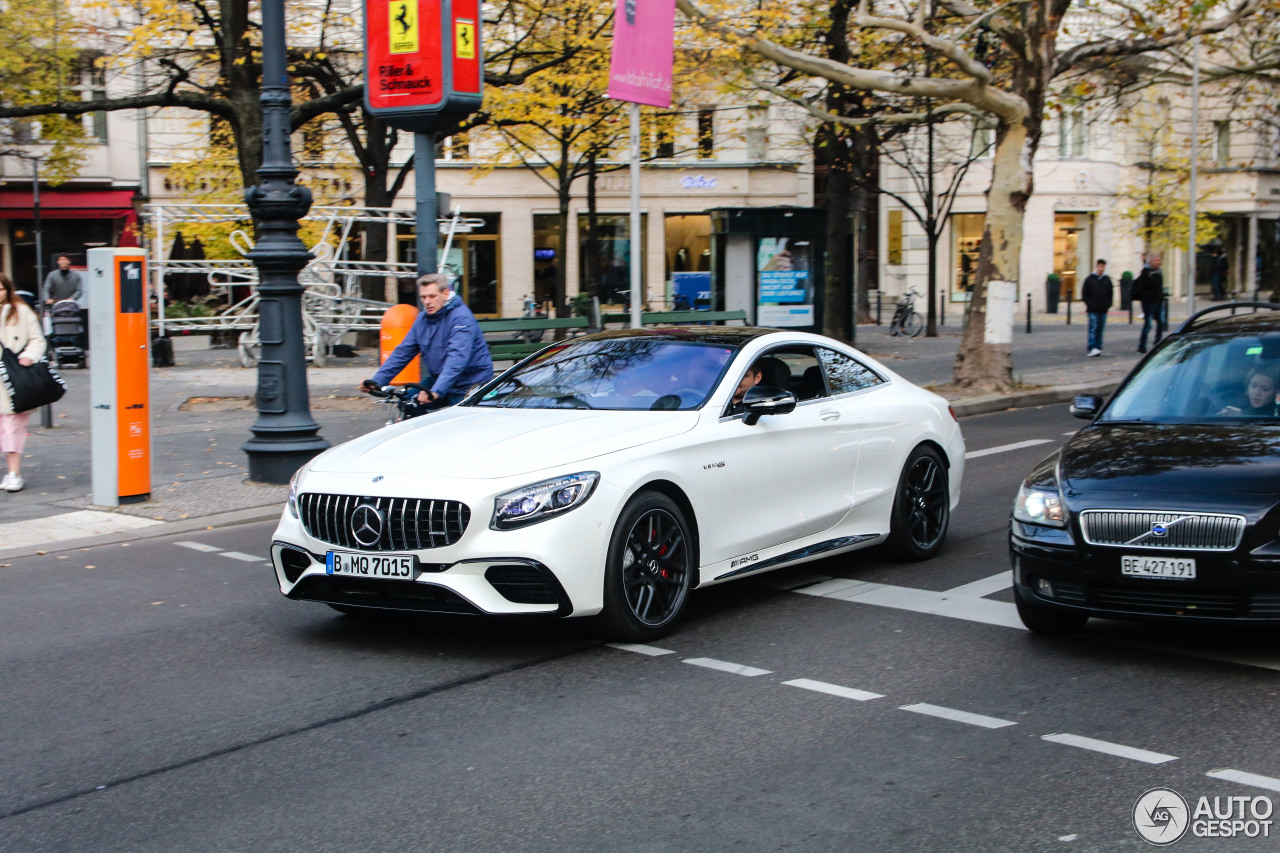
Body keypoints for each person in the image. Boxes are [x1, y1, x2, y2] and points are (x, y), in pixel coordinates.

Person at [360, 273, 493, 415]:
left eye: (432, 296)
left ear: (445, 293)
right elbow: (403, 352)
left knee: (458, 422)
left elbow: (457, 360)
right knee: (408, 403)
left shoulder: (461, 318)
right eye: (423, 297)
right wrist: (378, 381)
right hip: (439, 380)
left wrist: (436, 391)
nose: (427, 302)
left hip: (469, 384)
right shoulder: (423, 319)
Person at [0, 272, 48, 492]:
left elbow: (38, 339)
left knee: (12, 428)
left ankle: (13, 472)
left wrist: (28, 356)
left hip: (14, 377)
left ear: (8, 290)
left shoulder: (21, 311)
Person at [1080, 258, 1113, 357]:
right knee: (1093, 327)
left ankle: (1098, 347)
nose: (1102, 269)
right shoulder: (1089, 279)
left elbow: (1110, 293)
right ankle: (1092, 347)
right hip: (1092, 309)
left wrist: (1108, 304)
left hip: (1103, 309)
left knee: (1100, 328)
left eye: (1103, 267)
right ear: (1096, 266)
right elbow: (1084, 293)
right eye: (1100, 266)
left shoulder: (1107, 280)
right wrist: (1089, 303)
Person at [1133, 254, 1165, 354]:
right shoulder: (1146, 272)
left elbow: (1159, 287)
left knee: (1161, 322)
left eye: (1159, 260)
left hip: (1158, 301)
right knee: (1148, 324)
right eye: (1156, 260)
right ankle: (1141, 346)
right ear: (1151, 262)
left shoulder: (1159, 271)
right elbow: (1141, 288)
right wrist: (1147, 299)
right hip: (1148, 302)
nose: (1158, 262)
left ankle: (1157, 342)